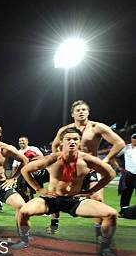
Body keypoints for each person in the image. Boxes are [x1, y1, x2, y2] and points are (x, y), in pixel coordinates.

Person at [11, 128, 118, 256]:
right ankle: (24, 240)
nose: (72, 142)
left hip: (74, 200)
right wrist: (39, 189)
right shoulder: (53, 159)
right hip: (51, 199)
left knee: (111, 214)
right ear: (62, 141)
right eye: (68, 139)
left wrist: (91, 191)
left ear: (80, 142)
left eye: (75, 139)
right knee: (23, 212)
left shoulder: (87, 160)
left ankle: (105, 248)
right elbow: (26, 170)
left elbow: (111, 174)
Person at [48, 100, 125, 235]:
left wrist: (106, 160)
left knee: (98, 199)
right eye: (78, 110)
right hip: (70, 168)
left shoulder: (97, 127)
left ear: (88, 112)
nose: (81, 112)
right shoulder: (66, 130)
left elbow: (119, 143)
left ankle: (97, 229)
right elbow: (55, 144)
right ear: (72, 114)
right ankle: (54, 223)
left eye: (84, 109)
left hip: (90, 169)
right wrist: (57, 161)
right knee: (57, 195)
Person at [13, 136, 43, 202]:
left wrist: (30, 159)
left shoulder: (33, 149)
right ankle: (27, 202)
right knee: (20, 190)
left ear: (27, 141)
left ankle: (33, 203)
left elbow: (41, 157)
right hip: (22, 173)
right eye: (20, 141)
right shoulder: (18, 153)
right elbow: (14, 166)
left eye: (23, 140)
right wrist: (14, 178)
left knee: (31, 190)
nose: (21, 142)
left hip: (33, 171)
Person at [117, 133, 136, 215]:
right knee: (126, 193)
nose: (135, 139)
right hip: (129, 174)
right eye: (134, 138)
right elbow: (115, 156)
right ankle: (123, 211)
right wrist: (119, 168)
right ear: (131, 139)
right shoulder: (126, 147)